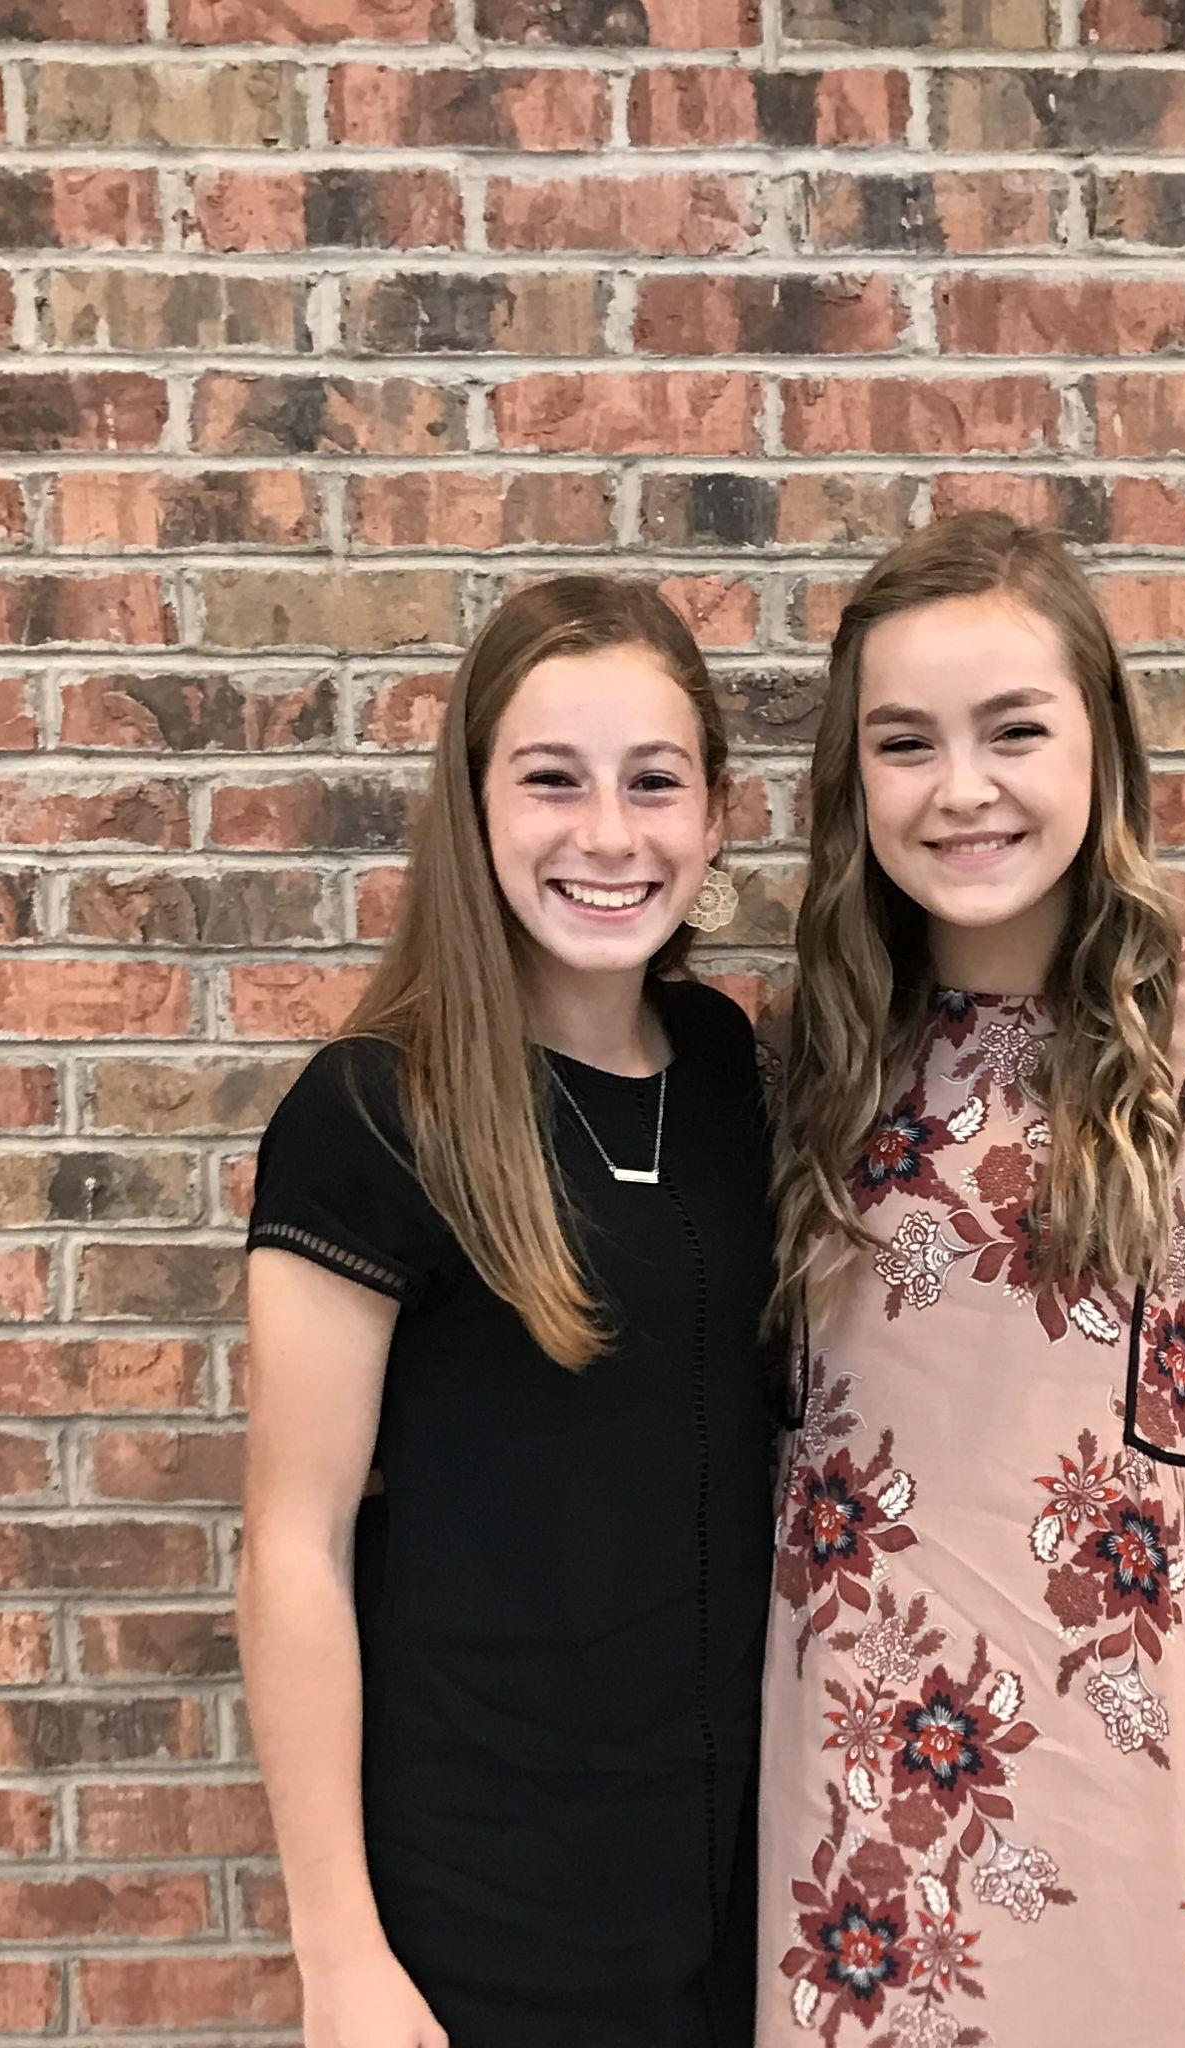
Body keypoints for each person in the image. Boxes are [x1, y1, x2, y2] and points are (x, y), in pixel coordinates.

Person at [757, 513, 1185, 2046]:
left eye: (1013, 730)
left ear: (1100, 744)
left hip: (1152, 1749)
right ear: (851, 783)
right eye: (905, 743)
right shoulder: (805, 1052)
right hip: (865, 1763)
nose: (961, 788)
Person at [238, 576, 776, 2048]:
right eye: (551, 780)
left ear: (715, 816)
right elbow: (293, 1546)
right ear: (473, 809)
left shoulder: (726, 1067)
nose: (608, 834)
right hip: (484, 1900)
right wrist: (338, 1954)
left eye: (653, 782)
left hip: (734, 1883)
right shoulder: (372, 1112)